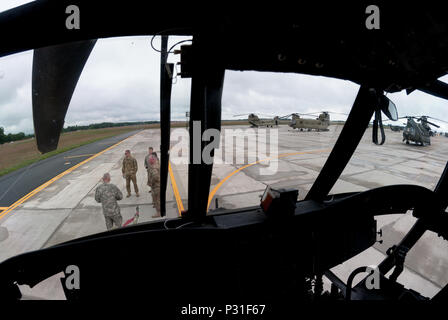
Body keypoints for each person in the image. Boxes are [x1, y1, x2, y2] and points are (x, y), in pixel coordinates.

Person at [148, 152, 161, 218]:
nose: (148, 160)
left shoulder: (154, 167)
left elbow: (155, 177)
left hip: (156, 186)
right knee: (158, 199)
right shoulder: (157, 163)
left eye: (149, 159)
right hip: (158, 185)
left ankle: (158, 212)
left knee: (157, 200)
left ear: (153, 159)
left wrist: (151, 183)